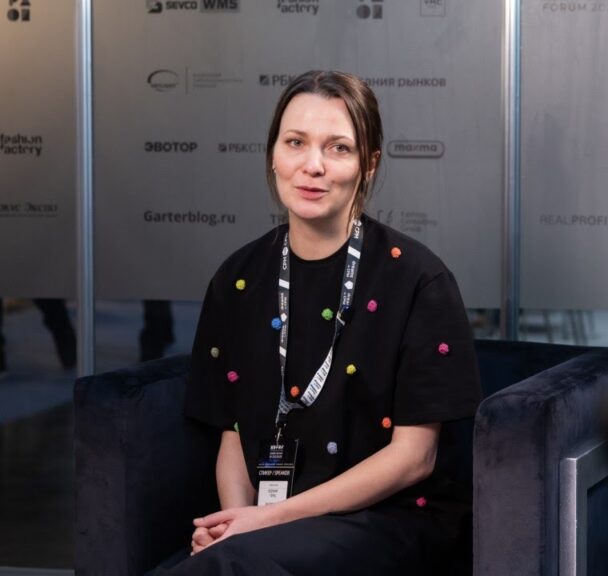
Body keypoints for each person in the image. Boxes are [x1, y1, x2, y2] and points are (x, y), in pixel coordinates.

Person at [157, 70, 481, 575]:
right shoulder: (238, 279)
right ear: (273, 154)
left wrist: (262, 525)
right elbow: (232, 435)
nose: (313, 166)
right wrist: (236, 524)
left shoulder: (418, 279)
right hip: (271, 524)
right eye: (295, 143)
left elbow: (414, 458)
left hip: (390, 519)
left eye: (338, 148)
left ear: (369, 164)